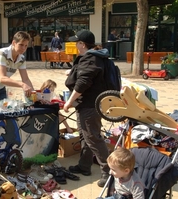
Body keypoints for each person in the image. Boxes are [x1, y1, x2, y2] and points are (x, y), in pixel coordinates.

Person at [63, 30, 110, 187]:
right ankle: (84, 166)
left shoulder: (91, 58)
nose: (75, 45)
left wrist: (69, 102)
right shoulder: (94, 57)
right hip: (87, 104)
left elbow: (83, 83)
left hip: (90, 105)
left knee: (93, 138)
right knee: (85, 136)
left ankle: (108, 171)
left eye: (76, 42)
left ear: (82, 44)